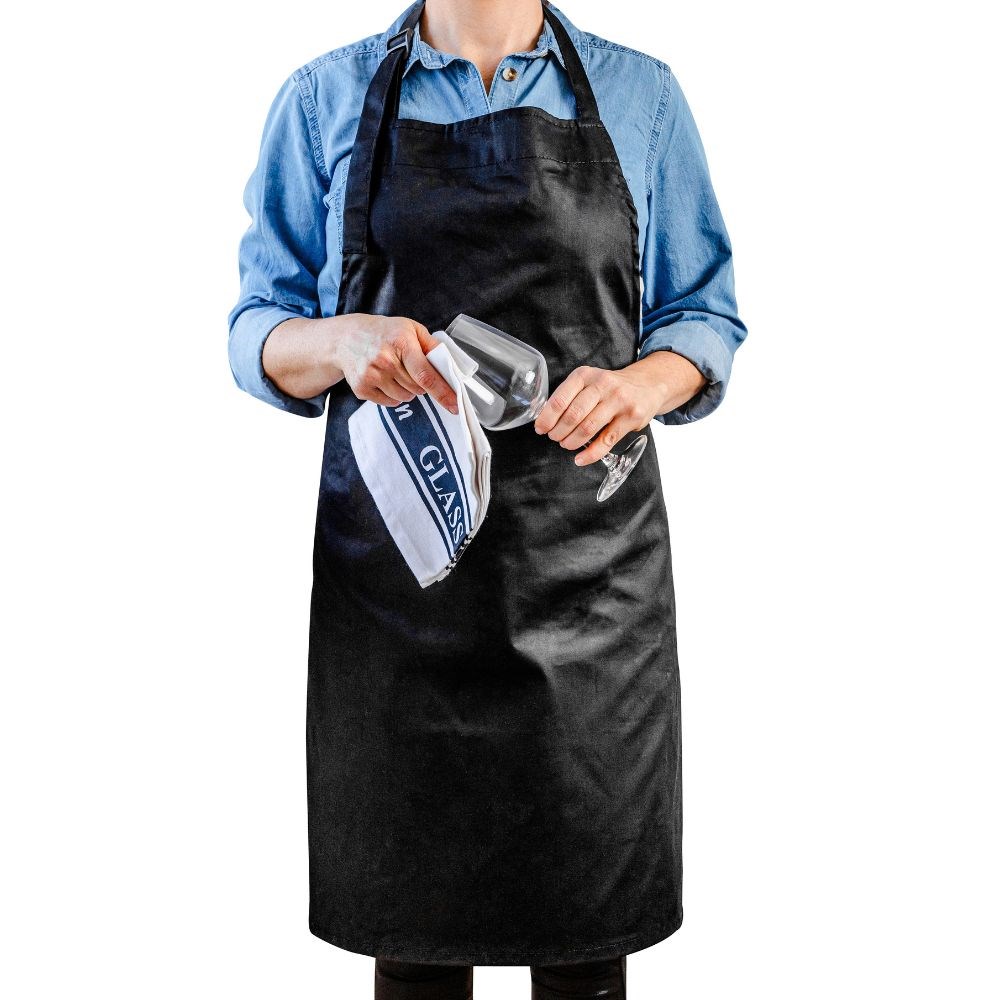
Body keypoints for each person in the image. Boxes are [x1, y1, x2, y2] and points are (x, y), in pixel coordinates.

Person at [227, 1, 748, 996]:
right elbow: (258, 326)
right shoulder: (322, 98)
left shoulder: (641, 95)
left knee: (586, 948)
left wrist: (639, 387)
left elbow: (702, 314)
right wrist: (340, 339)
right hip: (399, 592)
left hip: (591, 593)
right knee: (414, 953)